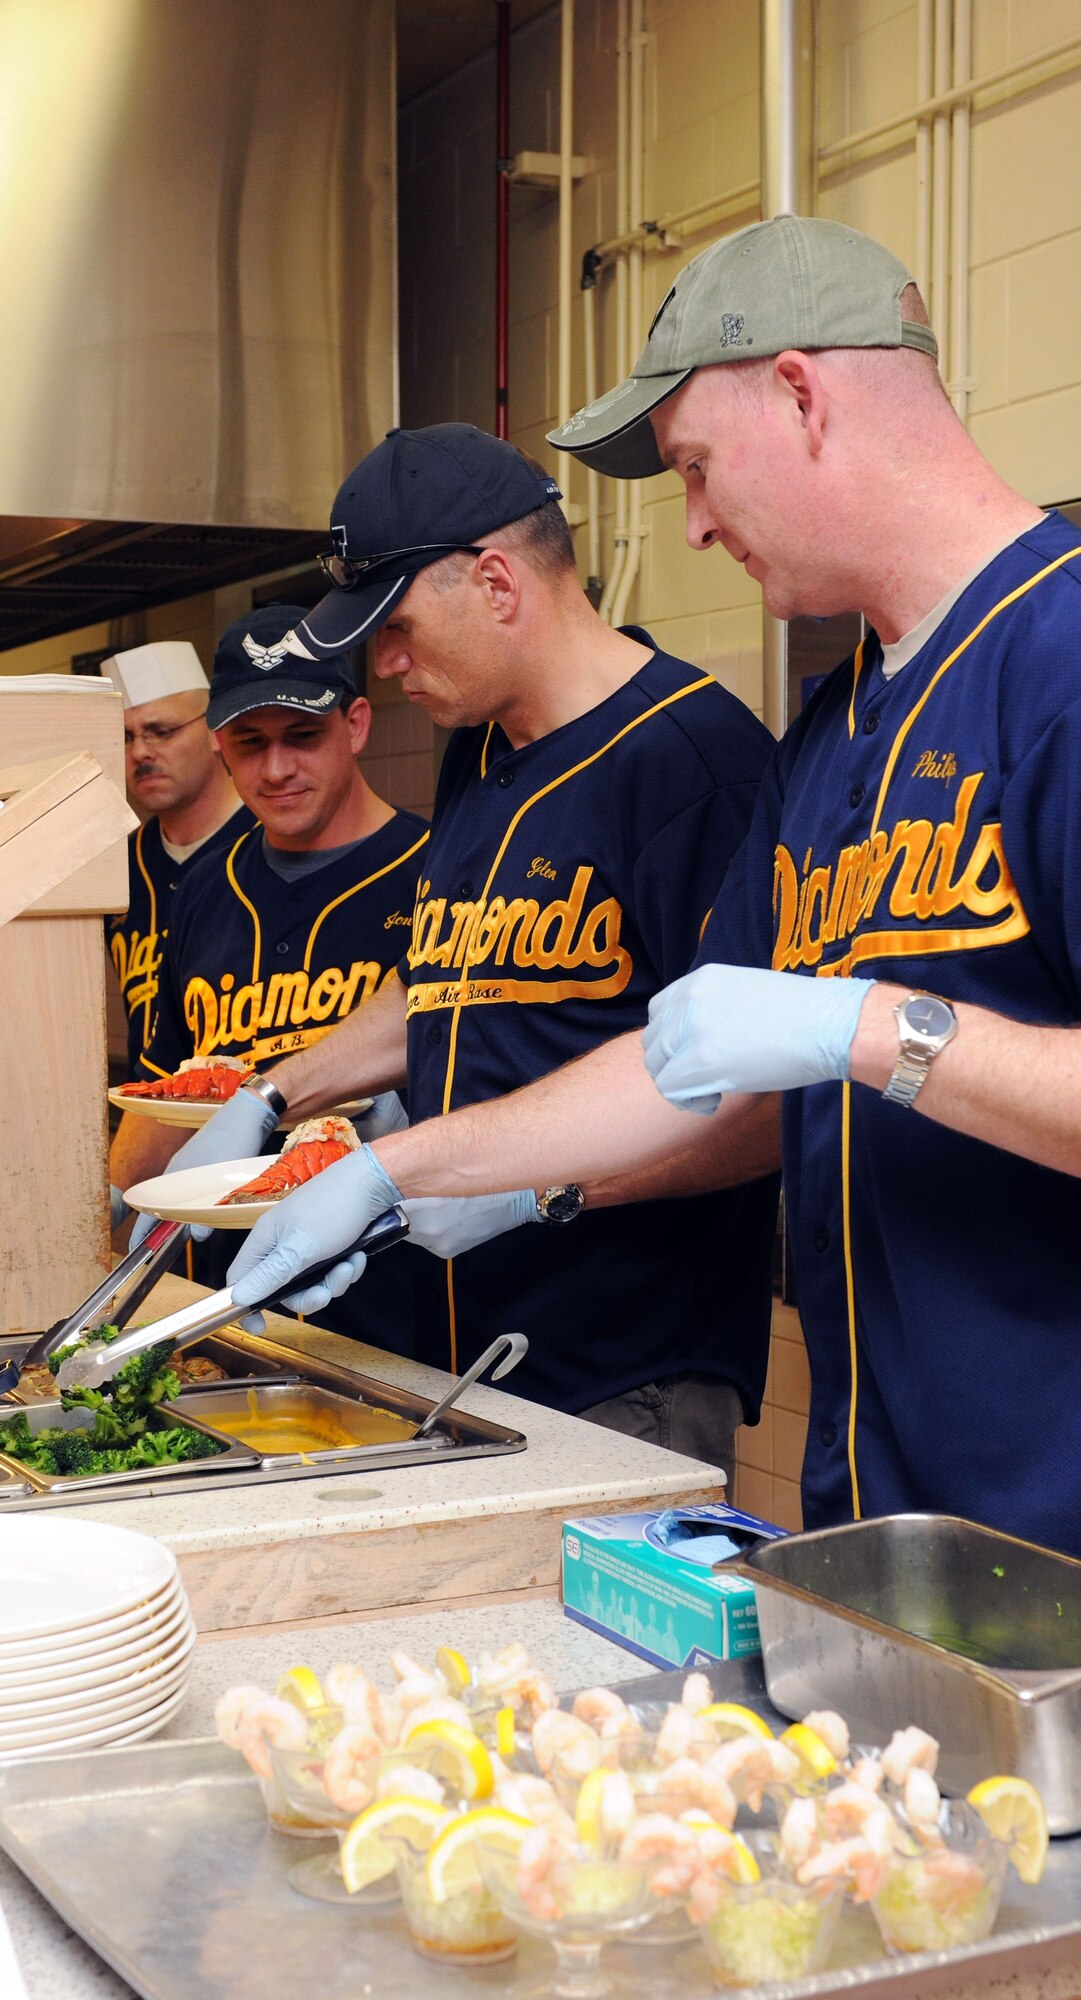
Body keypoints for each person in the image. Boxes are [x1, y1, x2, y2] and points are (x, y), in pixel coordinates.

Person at [218, 218, 1081, 1941]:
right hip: (905, 1549)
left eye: (692, 464)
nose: (692, 521)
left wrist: (874, 1033)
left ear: (803, 395)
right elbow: (691, 1081)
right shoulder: (835, 737)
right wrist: (405, 1169)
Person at [154, 425, 779, 1483]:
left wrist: (536, 1192)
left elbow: (768, 1107)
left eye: (394, 630)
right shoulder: (479, 749)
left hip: (624, 1370)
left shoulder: (691, 761)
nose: (385, 666)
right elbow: (443, 975)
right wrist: (274, 1094)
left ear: (494, 581)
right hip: (466, 1354)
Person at [114, 603, 432, 1358]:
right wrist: (112, 1230)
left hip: (394, 1300)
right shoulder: (206, 889)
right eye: (250, 744)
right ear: (221, 746)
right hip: (224, 1310)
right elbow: (163, 1087)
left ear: (356, 724)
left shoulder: (435, 871)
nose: (276, 769)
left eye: (303, 737)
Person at [103, 640, 246, 1077]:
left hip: (253, 1117)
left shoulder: (270, 844)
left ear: (215, 733)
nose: (140, 752)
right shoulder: (119, 864)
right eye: (125, 737)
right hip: (146, 1110)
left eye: (160, 731)